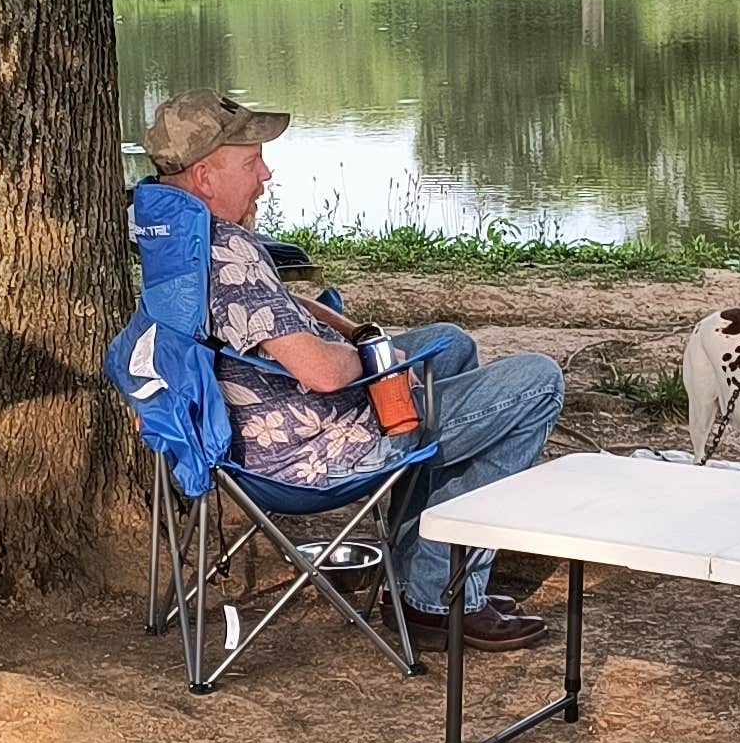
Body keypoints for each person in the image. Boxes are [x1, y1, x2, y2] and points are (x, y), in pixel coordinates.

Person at [144, 91, 563, 650]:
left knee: (449, 345)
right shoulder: (229, 258)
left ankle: (419, 581)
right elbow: (321, 374)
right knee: (537, 381)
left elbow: (265, 316)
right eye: (250, 163)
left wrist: (355, 332)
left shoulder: (178, 240)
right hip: (315, 452)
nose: (266, 174)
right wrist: (382, 366)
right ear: (203, 177)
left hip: (262, 423)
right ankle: (443, 598)